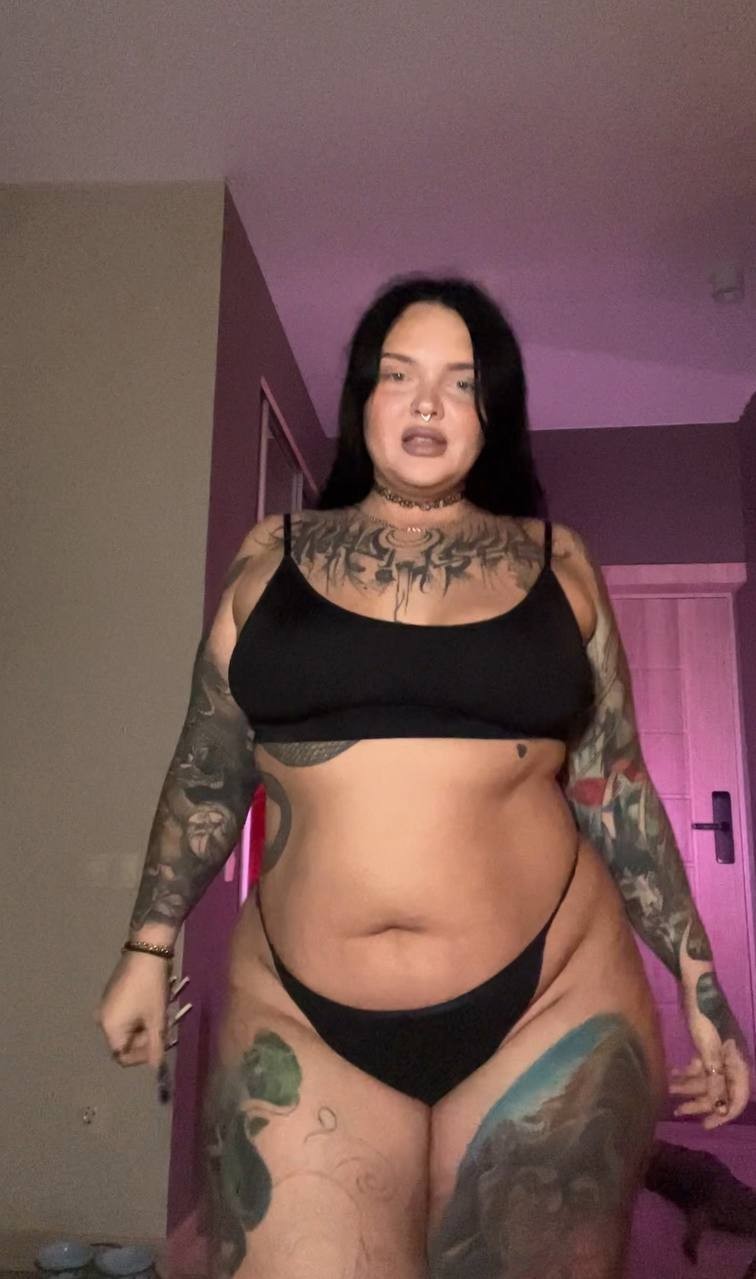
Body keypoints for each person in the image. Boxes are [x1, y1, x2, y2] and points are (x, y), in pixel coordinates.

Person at [98, 276, 751, 1278]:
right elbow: (208, 766)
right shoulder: (269, 557)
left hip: (551, 1006)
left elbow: (614, 785)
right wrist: (148, 945)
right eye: (400, 376)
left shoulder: (557, 561)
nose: (429, 403)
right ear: (364, 397)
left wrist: (700, 980)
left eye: (462, 381)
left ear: (493, 411)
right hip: (302, 1018)